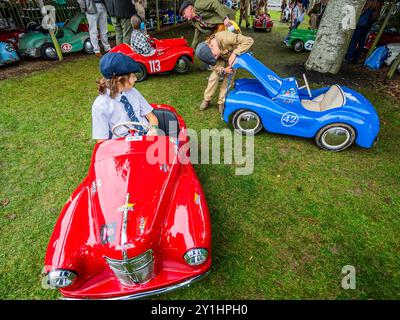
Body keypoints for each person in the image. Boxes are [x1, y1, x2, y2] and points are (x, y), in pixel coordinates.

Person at [92, 52, 159, 141]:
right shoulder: (100, 105)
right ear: (120, 79)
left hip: (148, 137)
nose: (135, 79)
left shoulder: (133, 92)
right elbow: (101, 142)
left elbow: (152, 117)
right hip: (123, 146)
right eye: (133, 76)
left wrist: (153, 130)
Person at [195, 30, 254, 113]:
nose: (215, 58)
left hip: (233, 57)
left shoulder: (227, 37)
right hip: (221, 59)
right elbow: (214, 64)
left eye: (214, 56)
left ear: (211, 46)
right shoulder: (205, 49)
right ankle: (207, 99)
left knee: (228, 78)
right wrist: (223, 70)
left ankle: (221, 102)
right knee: (213, 77)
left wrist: (235, 54)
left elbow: (249, 40)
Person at [344, 0, 384, 64]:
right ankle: (355, 59)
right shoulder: (380, 2)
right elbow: (376, 16)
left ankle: (348, 57)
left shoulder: (370, 1)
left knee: (354, 41)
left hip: (361, 23)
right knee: (361, 42)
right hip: (368, 24)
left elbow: (364, 10)